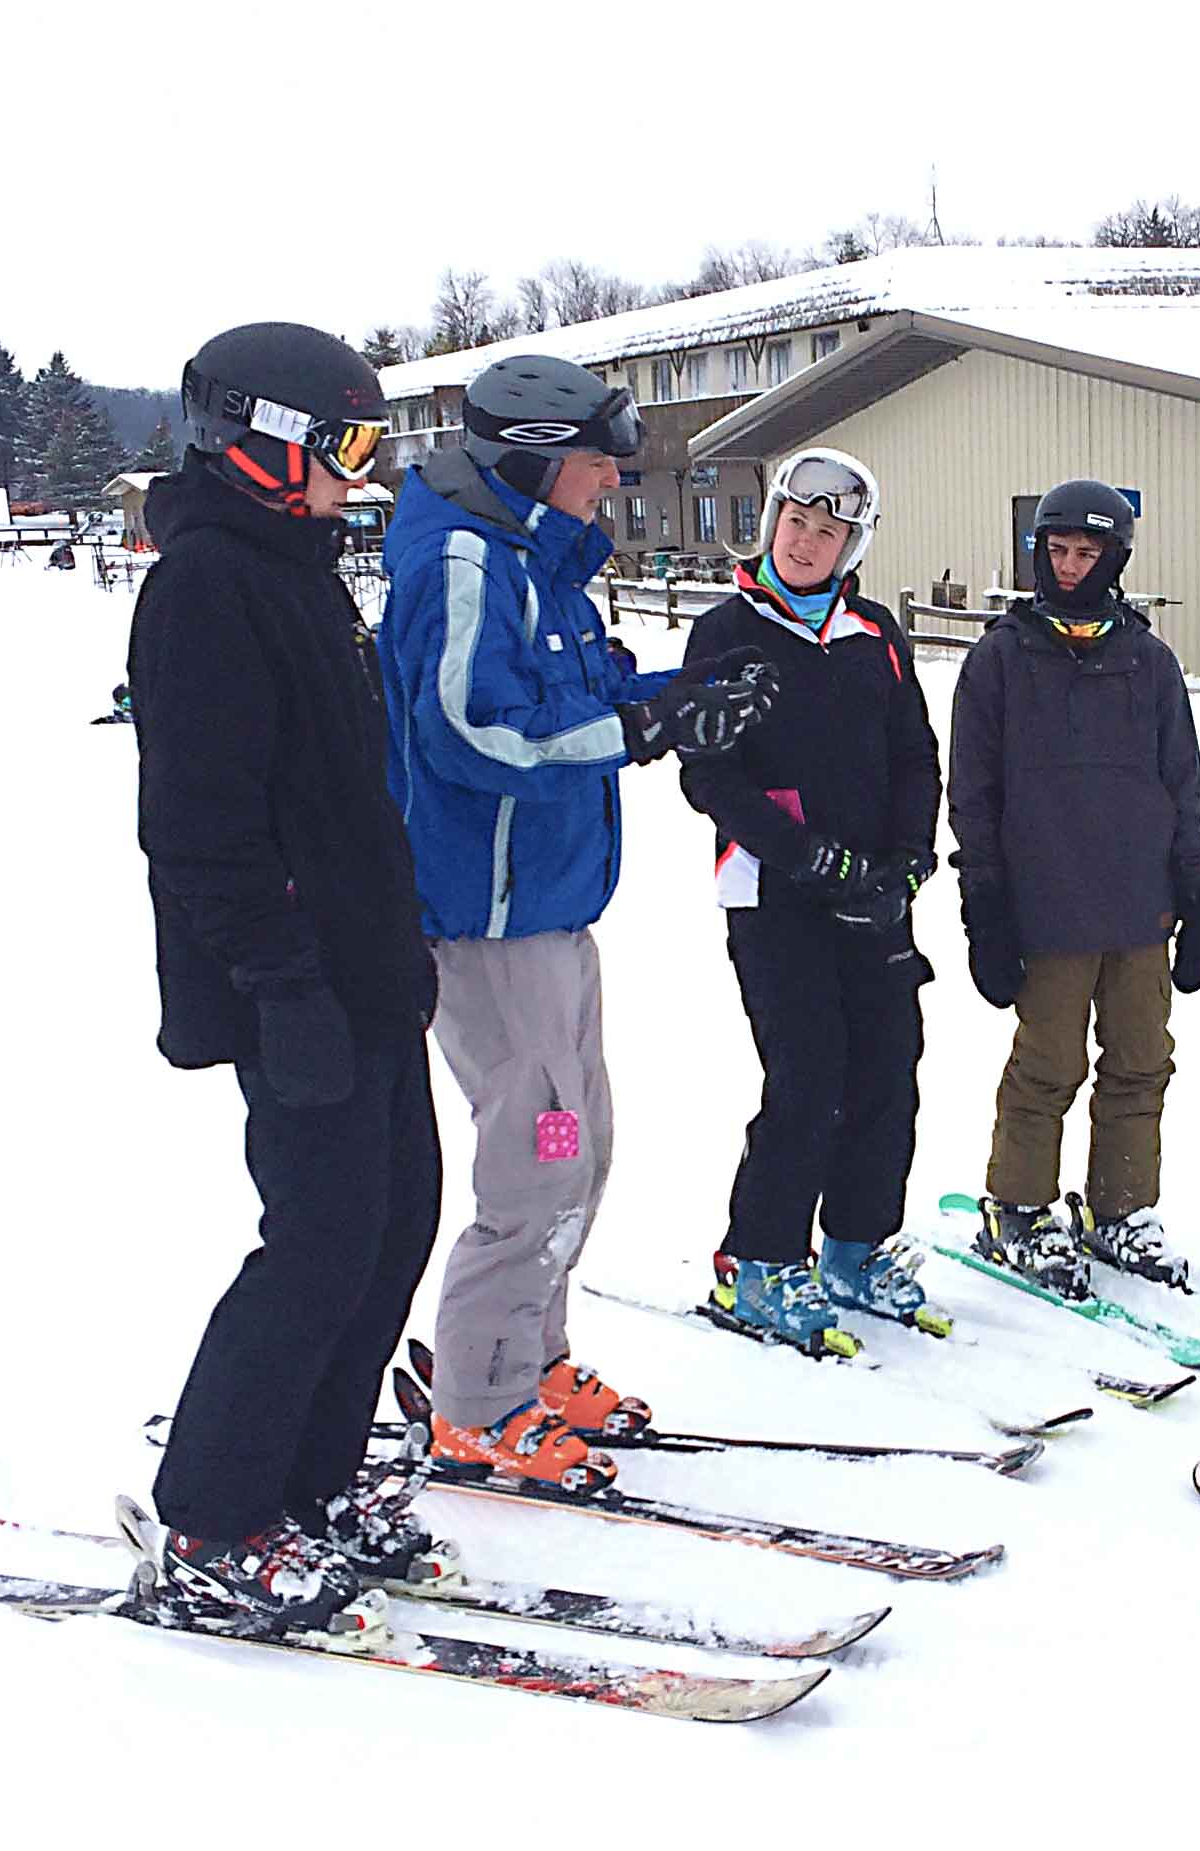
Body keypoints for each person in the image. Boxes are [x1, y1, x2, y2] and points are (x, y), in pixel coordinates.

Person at [379, 353, 774, 1487]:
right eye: (599, 462)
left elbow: (575, 692)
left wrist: (672, 701)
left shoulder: (534, 560)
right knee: (535, 1161)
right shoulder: (463, 561)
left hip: (550, 912)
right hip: (491, 925)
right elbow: (471, 731)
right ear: (534, 459)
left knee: (579, 1146)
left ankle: (531, 1360)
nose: (612, 481)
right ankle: (481, 1398)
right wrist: (638, 733)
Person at [131, 321, 450, 1637]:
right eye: (342, 444)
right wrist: (279, 978)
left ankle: (307, 1484)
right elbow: (199, 825)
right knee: (317, 1245)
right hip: (292, 983)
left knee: (395, 1222)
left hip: (362, 969)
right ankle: (212, 1519)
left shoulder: (301, 572)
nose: (357, 473)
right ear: (258, 441)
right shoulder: (207, 587)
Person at [676, 449, 942, 1351]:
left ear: (850, 546)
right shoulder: (727, 631)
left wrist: (907, 860)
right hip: (774, 894)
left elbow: (914, 754)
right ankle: (760, 1258)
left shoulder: (874, 634)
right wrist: (805, 855)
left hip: (872, 892)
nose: (805, 542)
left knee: (888, 1068)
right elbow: (709, 774)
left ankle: (856, 1246)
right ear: (772, 524)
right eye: (796, 523)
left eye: (827, 531)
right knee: (809, 1074)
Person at [949, 480, 1200, 1298]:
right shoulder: (1001, 659)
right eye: (1058, 551)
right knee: (1048, 1066)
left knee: (1141, 1061)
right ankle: (1019, 1207)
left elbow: (1182, 782)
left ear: (1115, 559)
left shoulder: (1148, 661)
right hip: (1047, 907)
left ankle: (1121, 1206)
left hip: (1140, 905)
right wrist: (985, 902)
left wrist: (1198, 889)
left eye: (1087, 553)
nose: (1070, 567)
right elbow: (973, 792)